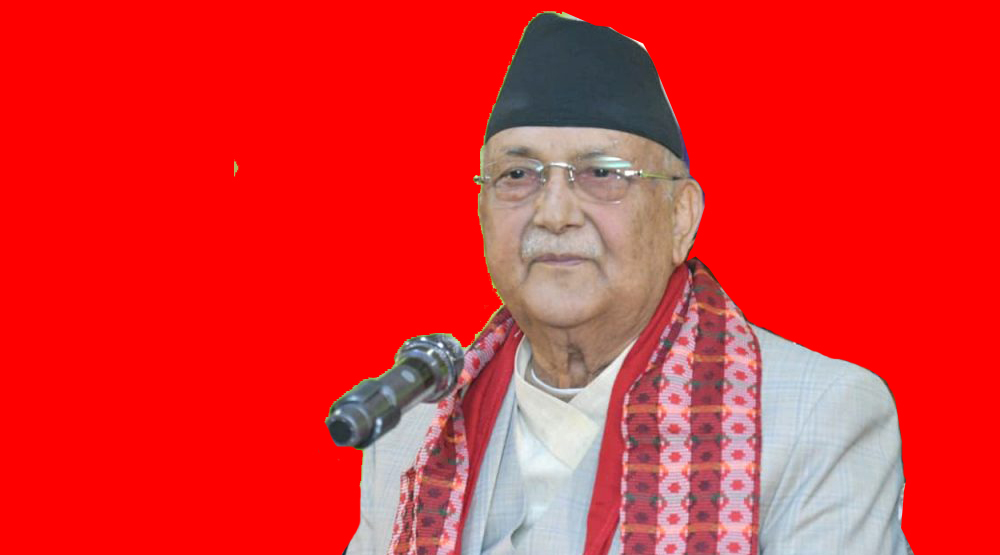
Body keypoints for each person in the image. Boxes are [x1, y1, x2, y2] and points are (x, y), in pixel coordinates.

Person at [344, 12, 909, 555]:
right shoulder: (414, 428)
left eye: (602, 174)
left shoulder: (816, 415)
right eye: (517, 175)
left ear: (681, 217)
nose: (554, 213)